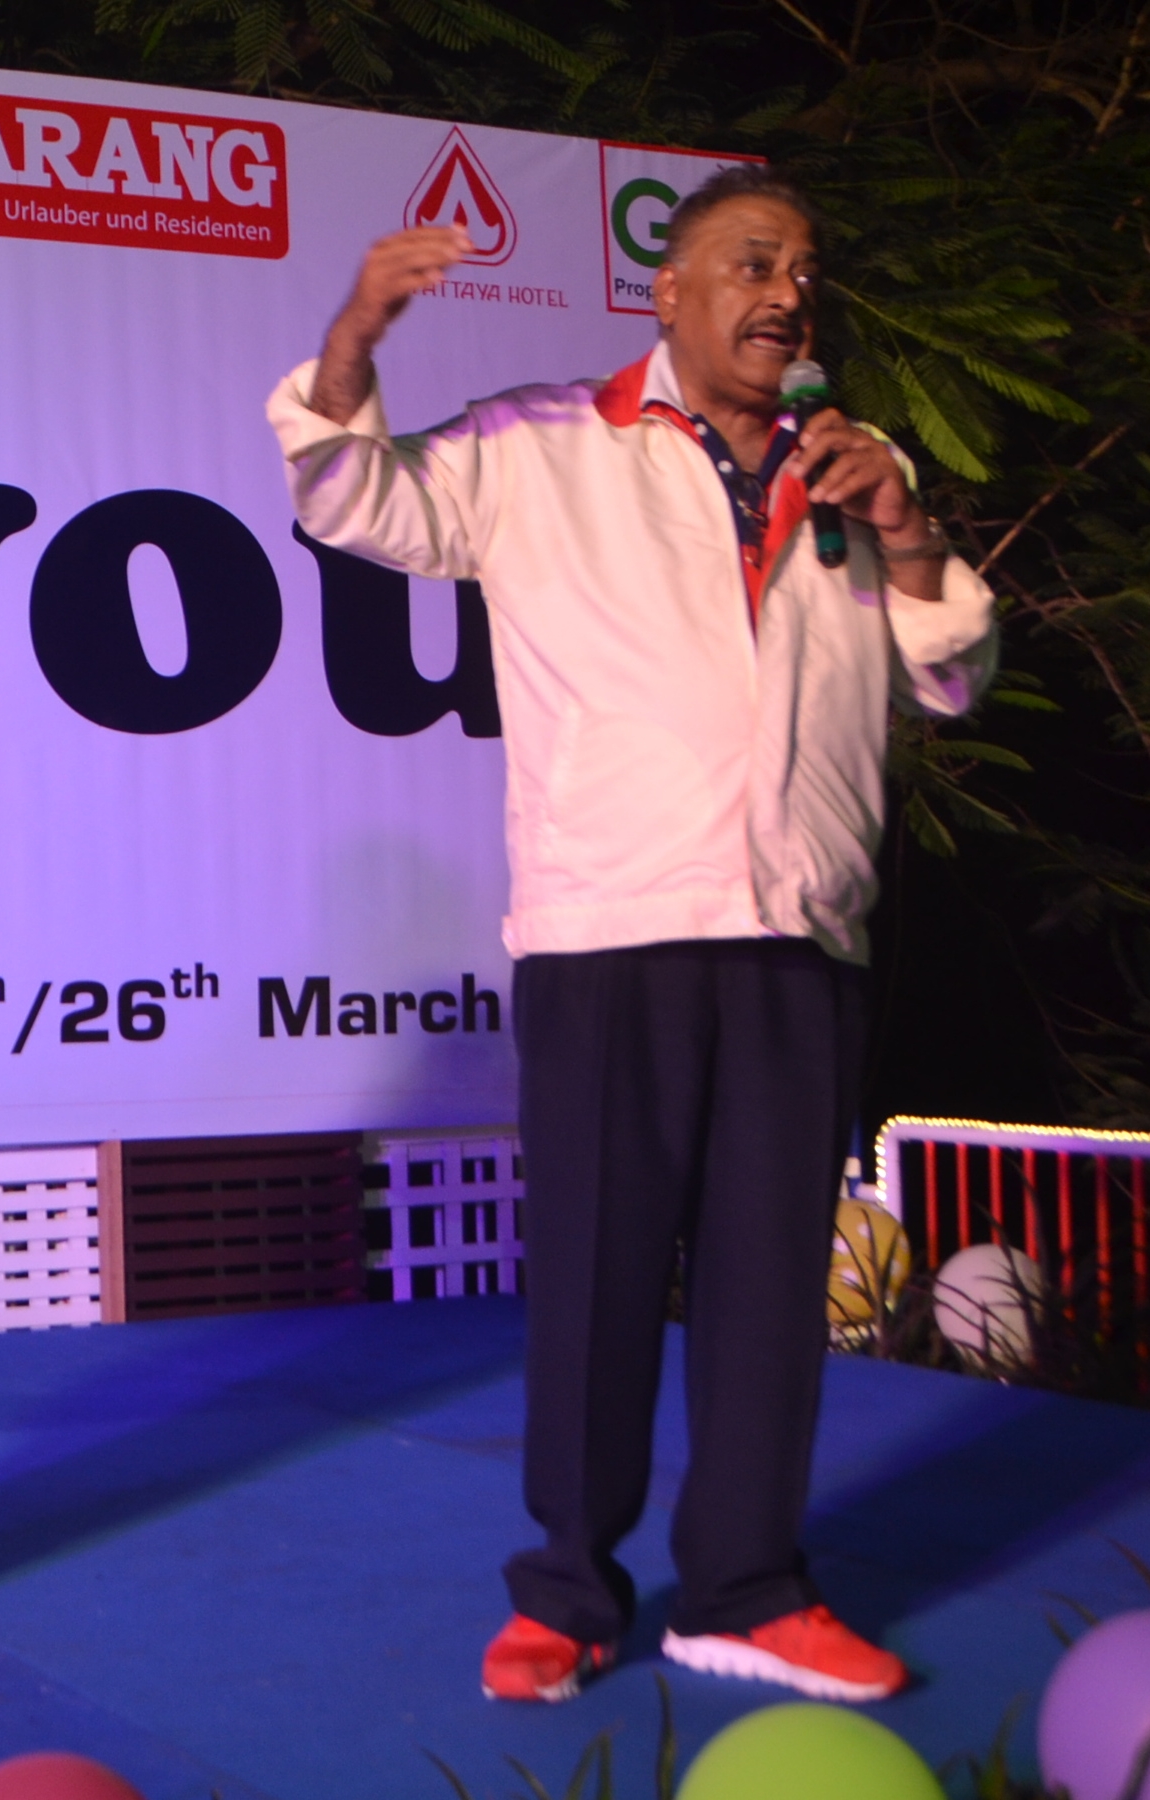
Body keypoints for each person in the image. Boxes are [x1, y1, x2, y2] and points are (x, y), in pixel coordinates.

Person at [269, 166, 995, 1704]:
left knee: (767, 1285)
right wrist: (356, 335)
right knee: (598, 1280)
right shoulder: (547, 439)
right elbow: (350, 495)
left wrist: (910, 529)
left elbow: (949, 676)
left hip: (802, 930)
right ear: (667, 292)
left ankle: (743, 1583)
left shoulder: (855, 473)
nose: (786, 291)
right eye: (751, 260)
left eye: (804, 266)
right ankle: (571, 1592)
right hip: (611, 929)